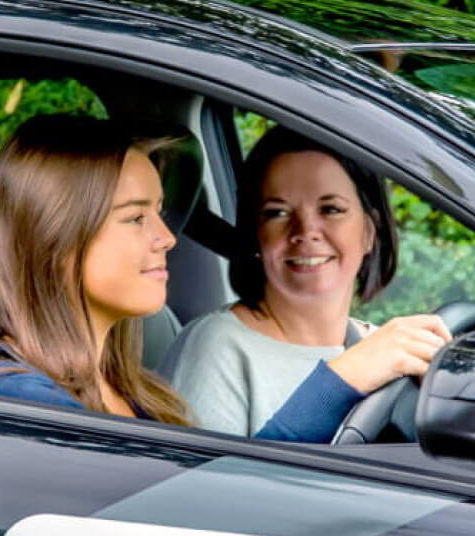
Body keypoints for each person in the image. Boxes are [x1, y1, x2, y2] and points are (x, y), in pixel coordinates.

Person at [160, 125, 451, 437]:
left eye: (331, 209)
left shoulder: (386, 349)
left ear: (370, 232)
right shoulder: (217, 347)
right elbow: (205, 485)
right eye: (277, 213)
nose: (305, 231)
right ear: (257, 235)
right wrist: (340, 383)